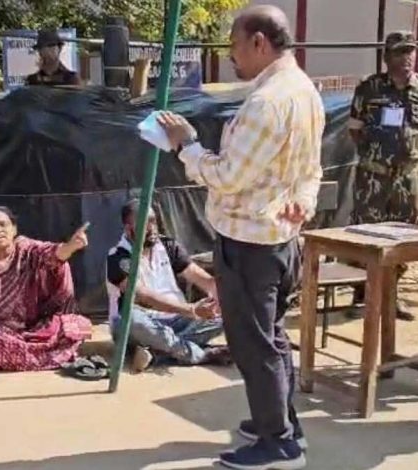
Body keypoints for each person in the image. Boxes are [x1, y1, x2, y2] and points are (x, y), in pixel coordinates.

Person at [157, 6, 320, 469]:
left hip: (250, 244)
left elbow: (228, 176)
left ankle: (278, 444)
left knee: (253, 344)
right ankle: (283, 423)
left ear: (259, 43)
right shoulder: (304, 90)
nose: (231, 55)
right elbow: (311, 169)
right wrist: (304, 202)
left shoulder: (267, 102)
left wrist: (186, 145)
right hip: (279, 239)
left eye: (234, 44)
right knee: (271, 337)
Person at [0, 206, 92, 372]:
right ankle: (38, 355)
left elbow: (50, 253)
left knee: (73, 325)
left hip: (34, 326)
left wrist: (70, 247)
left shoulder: (25, 249)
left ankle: (19, 355)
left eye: (3, 224)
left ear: (14, 229)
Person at [106, 200, 228, 372]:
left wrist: (221, 296)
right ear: (128, 228)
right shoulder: (118, 257)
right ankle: (200, 354)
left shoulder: (169, 246)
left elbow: (202, 278)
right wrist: (192, 310)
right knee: (131, 319)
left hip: (176, 319)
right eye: (144, 223)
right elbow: (143, 296)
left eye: (153, 221)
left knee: (225, 312)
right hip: (139, 326)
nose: (152, 228)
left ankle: (157, 354)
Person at [348, 31, 418, 322]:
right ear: (387, 57)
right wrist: (373, 156)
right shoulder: (369, 88)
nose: (407, 58)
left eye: (410, 51)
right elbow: (354, 129)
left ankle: (390, 296)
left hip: (407, 180)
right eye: (400, 52)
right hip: (373, 179)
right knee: (365, 235)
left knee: (401, 239)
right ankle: (362, 293)